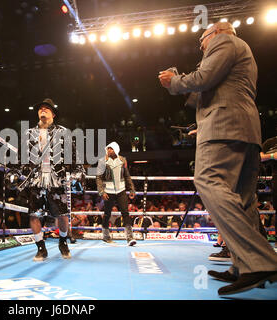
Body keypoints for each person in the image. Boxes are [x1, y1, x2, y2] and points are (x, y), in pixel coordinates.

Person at [158, 22, 277, 295]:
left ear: (215, 33)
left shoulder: (225, 42)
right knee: (243, 200)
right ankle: (244, 266)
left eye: (202, 40)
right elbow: (210, 89)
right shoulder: (242, 52)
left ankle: (261, 262)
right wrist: (182, 86)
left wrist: (174, 82)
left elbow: (204, 78)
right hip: (243, 128)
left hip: (224, 126)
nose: (201, 45)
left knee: (208, 181)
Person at [8, 98, 85, 261]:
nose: (43, 110)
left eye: (47, 109)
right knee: (35, 215)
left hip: (57, 179)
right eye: (40, 108)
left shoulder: (64, 132)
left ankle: (63, 242)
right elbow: (19, 159)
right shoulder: (28, 134)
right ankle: (41, 248)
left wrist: (78, 173)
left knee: (63, 215)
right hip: (36, 179)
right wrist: (13, 171)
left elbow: (75, 158)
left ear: (53, 114)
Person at [96, 142, 137, 245]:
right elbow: (99, 177)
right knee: (107, 214)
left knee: (125, 213)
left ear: (116, 149)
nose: (109, 151)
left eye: (111, 149)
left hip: (121, 190)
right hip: (108, 192)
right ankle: (106, 236)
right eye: (108, 149)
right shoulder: (102, 161)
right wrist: (102, 191)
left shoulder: (123, 160)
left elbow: (127, 175)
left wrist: (131, 189)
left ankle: (129, 237)